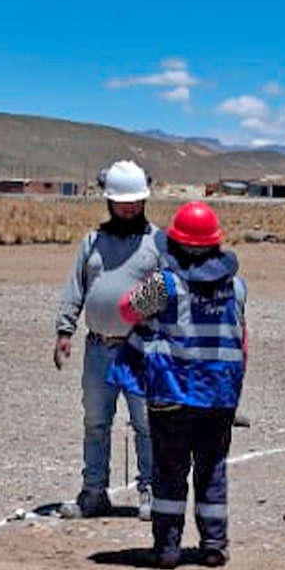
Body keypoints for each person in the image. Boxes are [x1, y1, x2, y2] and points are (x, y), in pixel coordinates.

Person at [109, 200, 247, 569]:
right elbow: (242, 340)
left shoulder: (165, 283)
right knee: (212, 470)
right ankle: (214, 544)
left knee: (169, 472)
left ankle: (167, 547)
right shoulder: (236, 285)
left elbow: (126, 310)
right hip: (220, 396)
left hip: (172, 393)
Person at [53, 160, 163, 518]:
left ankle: (151, 493)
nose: (129, 207)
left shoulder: (157, 242)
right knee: (95, 422)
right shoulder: (92, 242)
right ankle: (94, 492)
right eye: (122, 202)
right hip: (99, 347)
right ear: (109, 202)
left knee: (146, 423)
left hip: (142, 348)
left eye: (135, 202)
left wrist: (146, 317)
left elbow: (172, 292)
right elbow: (76, 287)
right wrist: (64, 330)